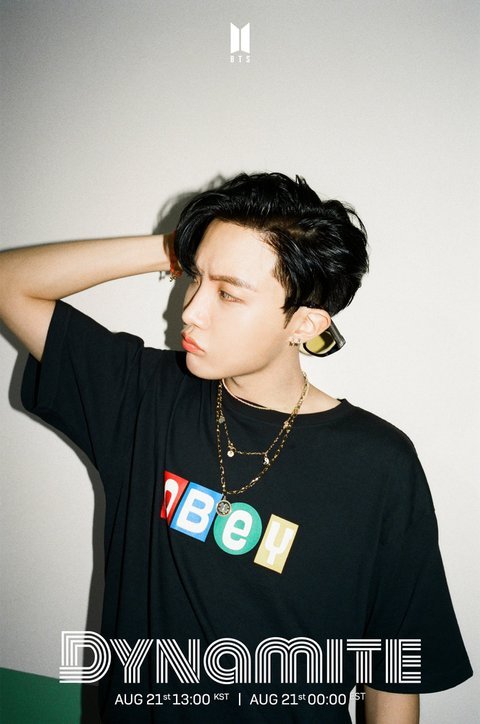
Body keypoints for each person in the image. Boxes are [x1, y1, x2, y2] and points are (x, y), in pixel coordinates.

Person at [0, 172, 472, 723]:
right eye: (194, 278)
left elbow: (392, 670)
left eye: (227, 293)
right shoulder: (145, 396)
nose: (190, 310)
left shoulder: (378, 463)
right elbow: (11, 284)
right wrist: (178, 245)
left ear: (304, 323)